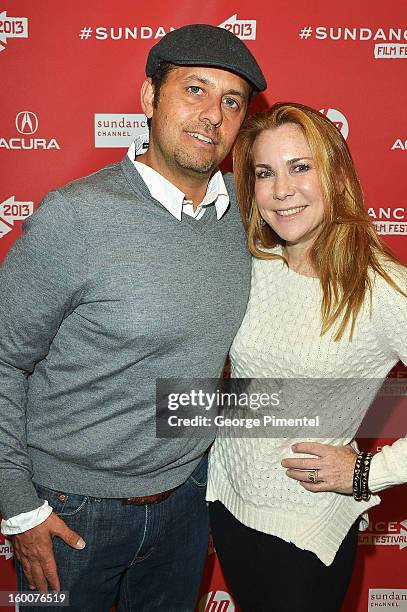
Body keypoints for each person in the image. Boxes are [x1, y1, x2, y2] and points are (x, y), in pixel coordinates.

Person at [0, 24, 266, 611]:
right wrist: (18, 506)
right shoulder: (77, 216)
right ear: (149, 98)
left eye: (231, 101)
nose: (212, 116)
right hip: (68, 513)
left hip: (186, 504)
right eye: (194, 90)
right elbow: (3, 358)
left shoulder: (247, 220)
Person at [207, 102, 407, 612]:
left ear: (335, 174)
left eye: (301, 167)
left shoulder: (382, 288)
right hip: (227, 501)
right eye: (265, 173)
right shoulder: (252, 262)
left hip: (305, 525)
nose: (282, 190)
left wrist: (367, 472)